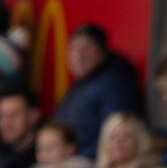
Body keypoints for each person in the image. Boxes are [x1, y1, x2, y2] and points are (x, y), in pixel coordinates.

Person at [51, 24, 142, 158]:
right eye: (73, 48)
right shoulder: (79, 85)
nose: (78, 55)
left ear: (102, 52)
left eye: (86, 48)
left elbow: (117, 136)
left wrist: (76, 159)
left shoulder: (113, 84)